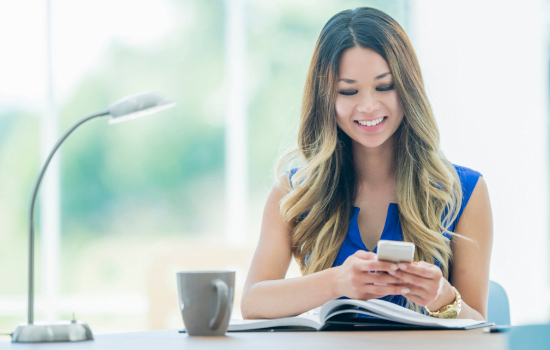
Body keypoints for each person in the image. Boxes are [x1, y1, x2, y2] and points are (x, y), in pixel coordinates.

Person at [241, 7, 492, 322]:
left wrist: (442, 297)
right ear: (326, 99)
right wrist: (337, 281)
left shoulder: (465, 191)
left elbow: (480, 327)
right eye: (348, 91)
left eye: (384, 86)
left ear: (408, 87)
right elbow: (252, 303)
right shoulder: (293, 192)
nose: (369, 106)